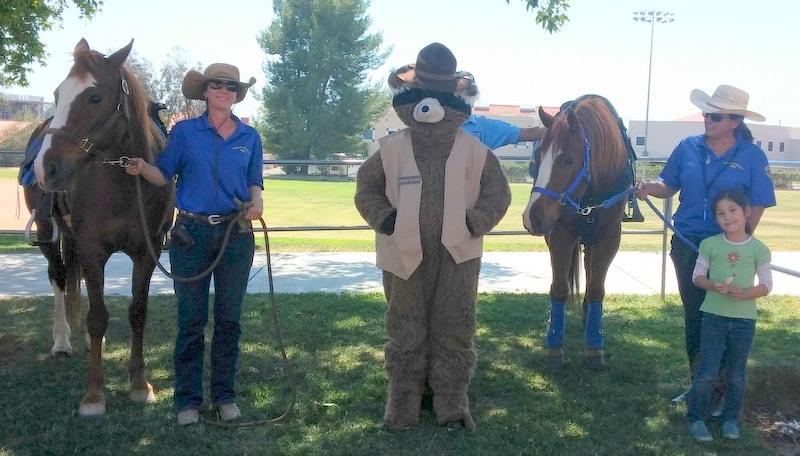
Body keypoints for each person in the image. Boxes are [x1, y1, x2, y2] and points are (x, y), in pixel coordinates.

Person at [125, 63, 264, 426]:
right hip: (191, 235)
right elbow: (163, 173)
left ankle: (225, 397)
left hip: (236, 237)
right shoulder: (184, 132)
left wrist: (257, 201)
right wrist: (143, 167)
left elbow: (254, 181)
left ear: (237, 93)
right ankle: (187, 401)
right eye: (216, 85)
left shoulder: (250, 137)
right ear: (205, 92)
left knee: (229, 322)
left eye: (231, 86)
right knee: (191, 321)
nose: (224, 91)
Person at [634, 84, 776, 405]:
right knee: (695, 318)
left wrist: (737, 244)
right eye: (706, 113)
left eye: (714, 115)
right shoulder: (687, 147)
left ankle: (722, 390)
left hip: (729, 252)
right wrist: (648, 188)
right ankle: (700, 386)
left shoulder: (752, 156)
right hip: (686, 246)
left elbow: (759, 203)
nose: (707, 119)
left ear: (734, 121)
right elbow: (668, 185)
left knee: (725, 319)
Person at [685, 189, 772, 442]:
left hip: (745, 321)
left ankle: (730, 419)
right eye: (721, 213)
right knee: (707, 371)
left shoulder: (759, 249)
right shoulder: (710, 245)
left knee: (736, 373)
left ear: (746, 212)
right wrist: (714, 286)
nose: (727, 217)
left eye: (732, 210)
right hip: (713, 318)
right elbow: (696, 277)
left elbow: (766, 285)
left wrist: (745, 293)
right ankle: (696, 418)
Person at [456, 71, 545, 150]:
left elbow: (527, 133)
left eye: (470, 93)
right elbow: (527, 133)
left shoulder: (485, 126)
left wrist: (557, 127)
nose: (464, 100)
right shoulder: (484, 126)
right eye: (459, 94)